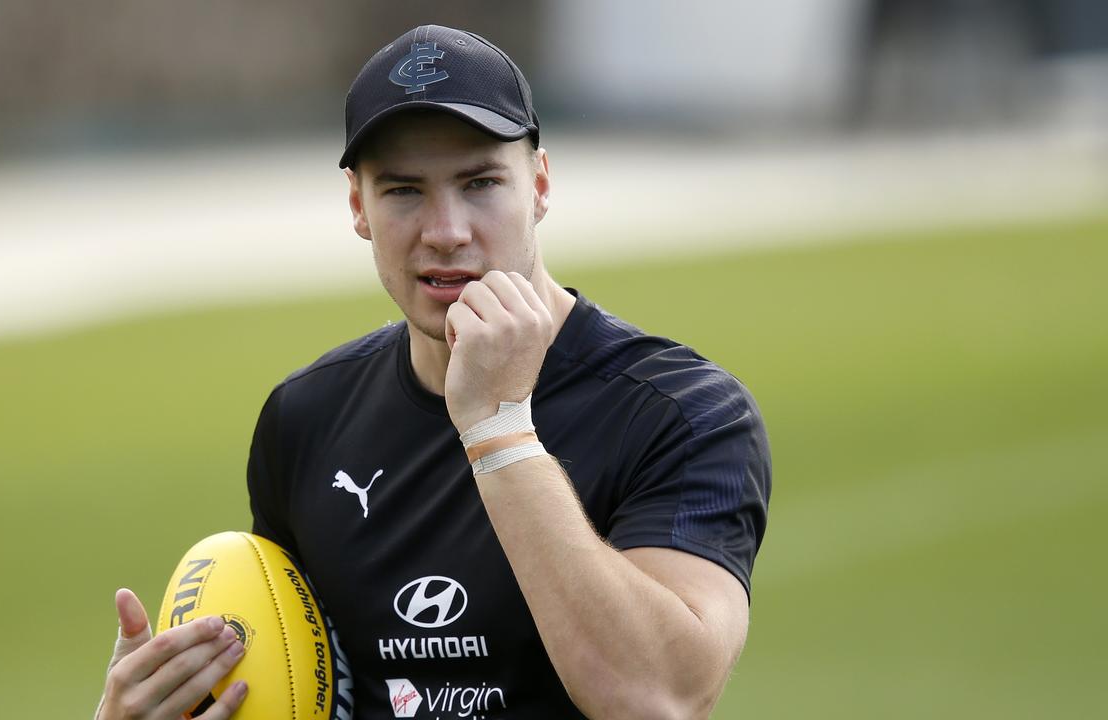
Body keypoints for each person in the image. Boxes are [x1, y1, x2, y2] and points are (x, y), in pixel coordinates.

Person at [95, 24, 770, 720]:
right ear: (358, 205)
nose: (445, 230)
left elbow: (656, 698)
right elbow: (300, 688)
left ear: (538, 185)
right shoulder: (307, 419)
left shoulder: (680, 413)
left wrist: (498, 425)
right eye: (403, 191)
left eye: (479, 182)